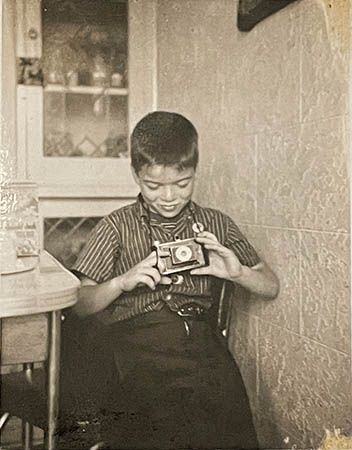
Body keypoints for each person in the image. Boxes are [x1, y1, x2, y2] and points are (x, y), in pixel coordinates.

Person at [62, 111, 280, 450]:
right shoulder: (116, 227)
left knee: (224, 418)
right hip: (135, 349)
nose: (168, 197)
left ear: (194, 172)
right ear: (136, 174)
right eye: (154, 186)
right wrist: (121, 282)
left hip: (202, 347)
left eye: (182, 184)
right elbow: (78, 304)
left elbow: (270, 285)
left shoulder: (215, 224)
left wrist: (240, 273)